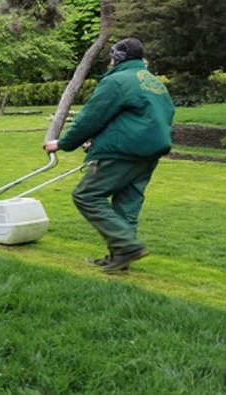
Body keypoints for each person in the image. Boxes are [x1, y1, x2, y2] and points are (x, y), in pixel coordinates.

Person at [43, 38, 175, 273]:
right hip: (149, 152)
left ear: (118, 58)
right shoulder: (153, 82)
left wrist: (62, 144)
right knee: (127, 204)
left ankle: (127, 246)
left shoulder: (116, 81)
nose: (110, 62)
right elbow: (144, 118)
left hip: (122, 152)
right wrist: (98, 140)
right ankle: (120, 258)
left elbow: (91, 117)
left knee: (86, 195)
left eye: (112, 57)